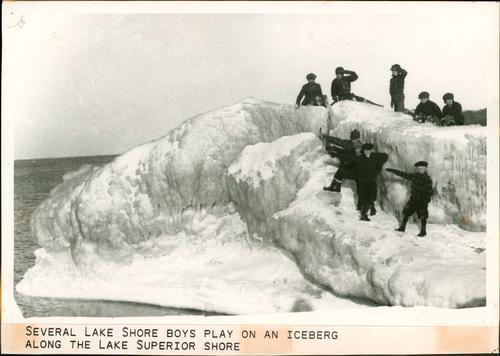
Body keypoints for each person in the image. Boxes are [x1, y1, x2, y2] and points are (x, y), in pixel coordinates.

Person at [386, 161, 433, 237]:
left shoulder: (428, 179)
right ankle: (402, 227)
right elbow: (404, 174)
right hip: (414, 199)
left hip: (422, 201)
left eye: (422, 168)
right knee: (407, 212)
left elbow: (430, 192)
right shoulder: (415, 176)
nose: (421, 170)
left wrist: (426, 201)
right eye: (419, 168)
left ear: (425, 168)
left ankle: (423, 231)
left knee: (423, 216)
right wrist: (392, 170)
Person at [350, 143, 389, 221]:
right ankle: (364, 215)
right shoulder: (359, 158)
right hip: (362, 182)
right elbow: (348, 158)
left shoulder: (374, 156)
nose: (367, 152)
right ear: (363, 151)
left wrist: (380, 164)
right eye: (365, 151)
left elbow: (385, 156)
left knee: (372, 197)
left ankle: (371, 209)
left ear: (371, 150)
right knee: (364, 198)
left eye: (368, 150)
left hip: (371, 181)